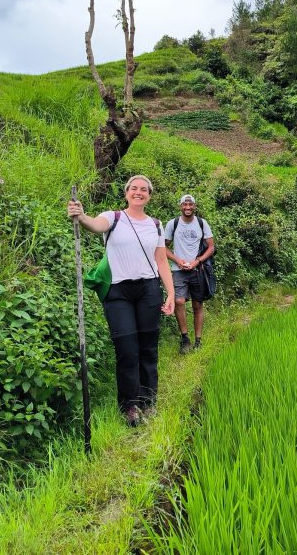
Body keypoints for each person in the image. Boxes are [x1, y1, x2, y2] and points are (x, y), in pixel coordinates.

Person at [67, 175, 175, 427]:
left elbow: (161, 262)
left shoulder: (156, 225)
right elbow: (94, 225)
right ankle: (130, 405)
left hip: (149, 290)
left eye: (144, 189)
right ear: (127, 193)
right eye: (134, 188)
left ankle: (148, 401)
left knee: (148, 349)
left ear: (149, 195)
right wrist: (81, 215)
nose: (139, 192)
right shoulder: (113, 217)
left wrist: (171, 293)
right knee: (127, 350)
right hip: (119, 293)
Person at [164, 194, 215, 353]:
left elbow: (211, 247)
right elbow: (163, 247)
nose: (187, 208)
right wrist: (178, 260)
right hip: (179, 270)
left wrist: (197, 261)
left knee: (197, 304)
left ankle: (198, 340)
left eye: (190, 205)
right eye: (185, 205)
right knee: (179, 301)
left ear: (195, 206)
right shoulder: (173, 224)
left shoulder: (201, 223)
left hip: (197, 270)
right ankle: (185, 338)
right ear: (180, 206)